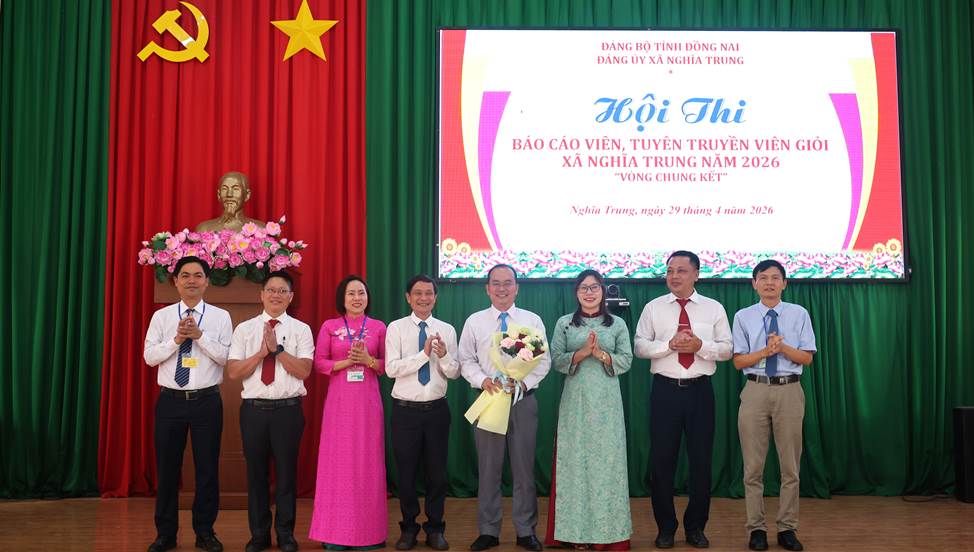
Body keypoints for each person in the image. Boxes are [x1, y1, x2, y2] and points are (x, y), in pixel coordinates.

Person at [633, 250, 733, 549]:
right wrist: (668, 345)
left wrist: (701, 346)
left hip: (700, 391)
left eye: (681, 270)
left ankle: (695, 527)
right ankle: (665, 528)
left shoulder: (713, 308)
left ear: (696, 275)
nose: (674, 276)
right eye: (670, 271)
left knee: (701, 462)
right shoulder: (653, 308)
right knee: (662, 462)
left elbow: (727, 349)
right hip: (665, 392)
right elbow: (639, 346)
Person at [143, 256, 233, 552]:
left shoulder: (220, 317)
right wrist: (176, 340)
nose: (191, 280)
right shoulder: (162, 317)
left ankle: (205, 532)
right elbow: (149, 357)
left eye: (197, 275)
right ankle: (165, 534)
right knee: (167, 470)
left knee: (207, 470)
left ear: (207, 282)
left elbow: (226, 357)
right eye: (185, 275)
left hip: (207, 402)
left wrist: (199, 337)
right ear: (176, 281)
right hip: (170, 402)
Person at [459, 264, 551, 552]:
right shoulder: (475, 321)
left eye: (508, 283)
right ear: (487, 288)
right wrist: (482, 380)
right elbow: (466, 360)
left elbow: (544, 361)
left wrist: (523, 383)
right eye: (496, 283)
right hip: (489, 400)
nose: (502, 288)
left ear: (517, 287)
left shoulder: (531, 320)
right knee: (488, 469)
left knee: (524, 469)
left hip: (523, 401)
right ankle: (488, 531)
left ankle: (526, 531)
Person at [545, 269, 633, 550]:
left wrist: (601, 355)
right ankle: (575, 535)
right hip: (575, 402)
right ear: (576, 292)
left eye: (594, 287)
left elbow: (627, 359)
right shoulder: (564, 324)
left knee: (608, 465)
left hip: (607, 403)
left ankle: (608, 535)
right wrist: (581, 354)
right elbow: (555, 359)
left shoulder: (617, 323)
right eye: (584, 287)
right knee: (574, 465)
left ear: (603, 291)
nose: (589, 292)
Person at [227, 270, 314, 552]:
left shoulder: (301, 330)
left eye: (282, 291)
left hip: (288, 411)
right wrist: (260, 354)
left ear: (291, 296)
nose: (276, 295)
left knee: (287, 475)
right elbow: (233, 372)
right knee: (256, 475)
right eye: (271, 290)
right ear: (261, 295)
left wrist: (277, 351)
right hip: (254, 411)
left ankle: (286, 534)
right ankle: (259, 535)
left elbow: (304, 370)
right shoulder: (244, 329)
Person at [732, 260, 816, 552]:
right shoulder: (743, 316)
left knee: (790, 467)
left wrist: (782, 348)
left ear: (784, 283)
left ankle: (787, 528)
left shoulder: (799, 313)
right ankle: (756, 528)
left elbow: (807, 358)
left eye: (775, 278)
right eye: (763, 278)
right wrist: (765, 352)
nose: (769, 282)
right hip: (755, 390)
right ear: (754, 283)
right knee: (752, 468)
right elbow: (739, 361)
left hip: (789, 390)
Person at [309, 275, 388, 550]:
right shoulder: (330, 326)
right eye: (351, 293)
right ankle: (334, 534)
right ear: (342, 299)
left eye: (361, 293)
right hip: (339, 405)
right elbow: (319, 363)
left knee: (368, 463)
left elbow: (387, 366)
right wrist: (347, 362)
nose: (357, 298)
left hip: (368, 405)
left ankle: (369, 534)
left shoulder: (378, 327)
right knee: (338, 465)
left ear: (368, 297)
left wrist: (368, 360)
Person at [385, 275, 460, 551]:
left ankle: (435, 528)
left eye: (429, 293)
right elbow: (391, 369)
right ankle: (408, 529)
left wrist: (443, 355)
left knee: (437, 474)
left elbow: (454, 372)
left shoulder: (447, 330)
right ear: (408, 297)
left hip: (437, 411)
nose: (424, 298)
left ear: (435, 297)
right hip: (405, 412)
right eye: (418, 293)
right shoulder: (396, 328)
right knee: (406, 474)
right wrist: (423, 355)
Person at [196, 171, 265, 232]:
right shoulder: (204, 229)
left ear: (247, 195)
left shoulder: (260, 229)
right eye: (224, 189)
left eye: (235, 189)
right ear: (219, 195)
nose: (229, 194)